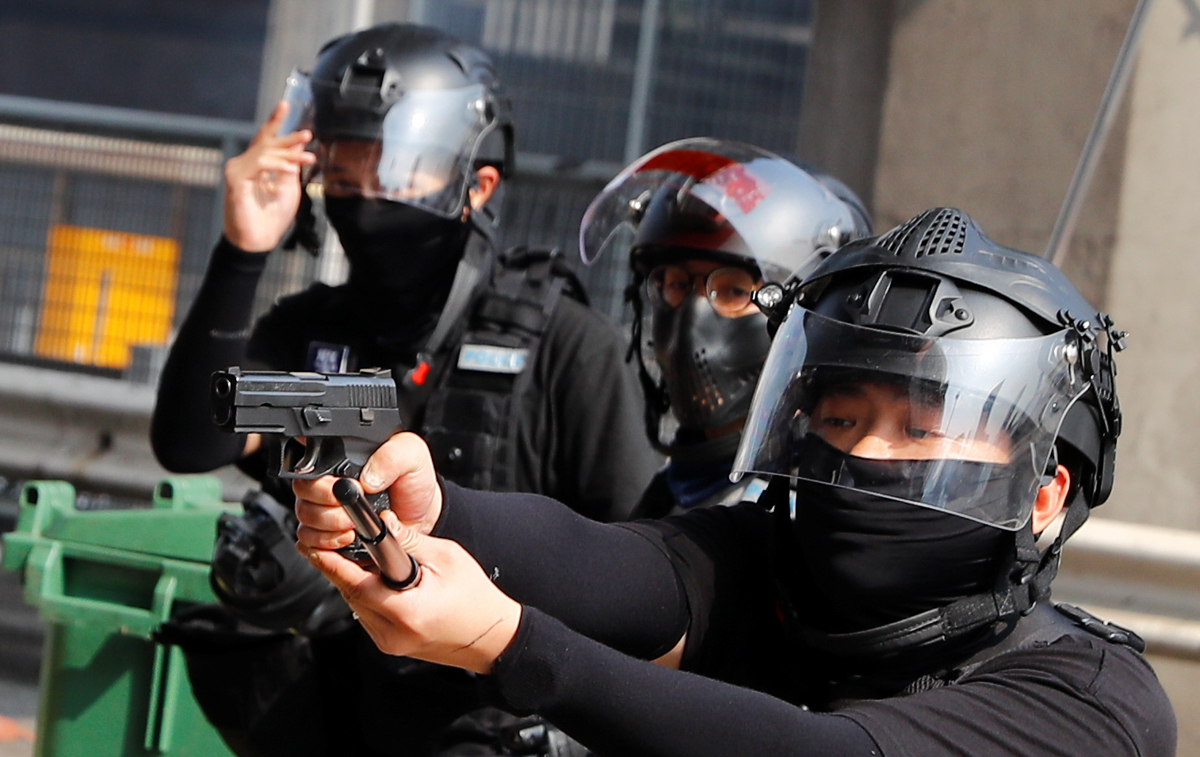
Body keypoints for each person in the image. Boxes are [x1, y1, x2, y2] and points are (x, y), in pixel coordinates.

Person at [294, 207, 1177, 757]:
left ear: (1046, 492)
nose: (867, 452)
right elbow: (609, 562)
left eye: (921, 428)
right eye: (840, 418)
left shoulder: (1091, 702)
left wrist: (508, 644)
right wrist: (436, 506)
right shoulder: (775, 565)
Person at [149, 22, 659, 757]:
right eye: (343, 181)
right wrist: (242, 250)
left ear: (477, 185)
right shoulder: (316, 341)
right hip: (346, 710)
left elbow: (639, 577)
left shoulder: (566, 351)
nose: (363, 205)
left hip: (493, 721)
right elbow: (194, 435)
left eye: (391, 178)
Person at [576, 137, 870, 517]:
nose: (689, 322)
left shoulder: (813, 512)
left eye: (732, 290)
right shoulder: (672, 492)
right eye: (675, 284)